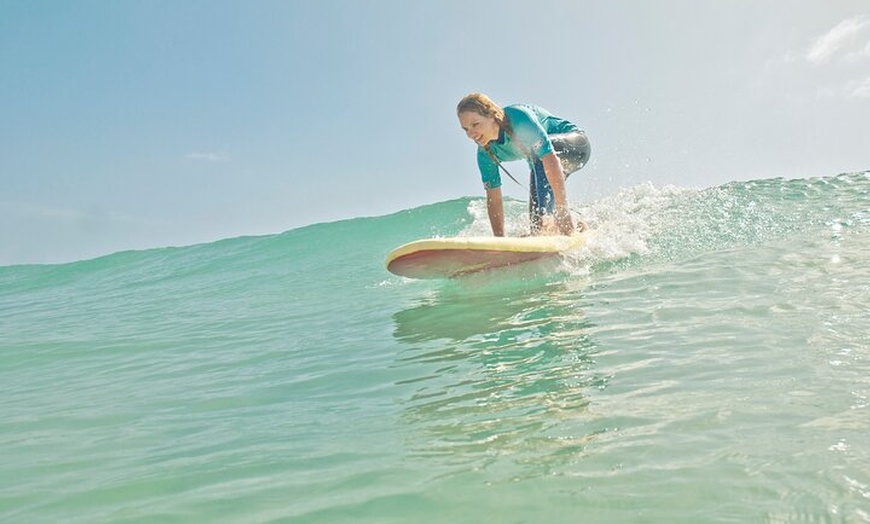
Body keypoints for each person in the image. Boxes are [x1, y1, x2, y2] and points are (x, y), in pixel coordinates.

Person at [457, 93, 591, 236]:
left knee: (542, 222)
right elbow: (494, 198)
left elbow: (549, 159)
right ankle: (579, 225)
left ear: (491, 115)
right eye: (466, 129)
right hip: (543, 165)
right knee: (536, 226)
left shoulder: (518, 119)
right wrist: (500, 241)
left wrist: (563, 212)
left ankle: (561, 220)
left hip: (575, 145)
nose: (471, 134)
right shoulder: (485, 154)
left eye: (475, 124)